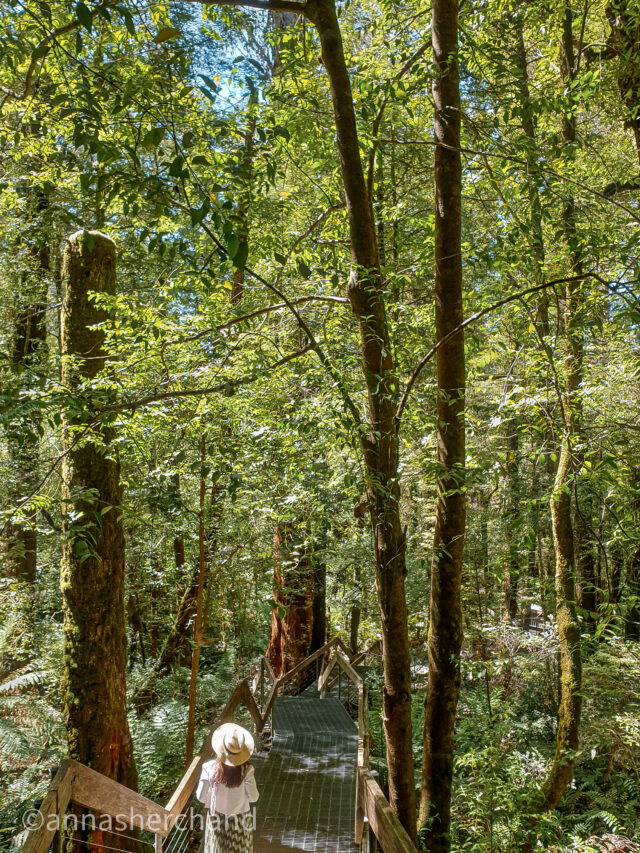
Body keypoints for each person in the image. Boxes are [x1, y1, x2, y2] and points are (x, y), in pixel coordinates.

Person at [196, 723, 259, 853]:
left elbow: (201, 797)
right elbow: (254, 798)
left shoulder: (209, 768)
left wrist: (214, 795)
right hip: (240, 820)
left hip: (216, 818)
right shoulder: (247, 770)